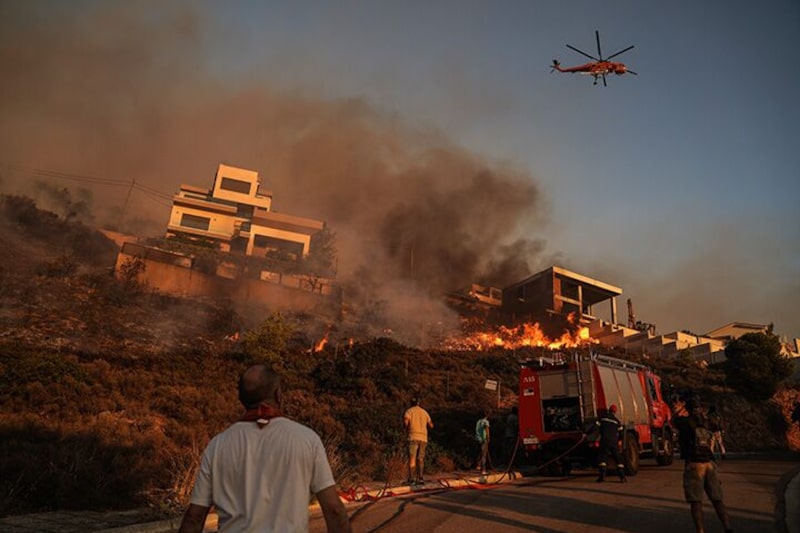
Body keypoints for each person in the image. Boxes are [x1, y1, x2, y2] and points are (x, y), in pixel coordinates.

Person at [178, 365, 352, 533]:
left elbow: (195, 518)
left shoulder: (217, 445)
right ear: (278, 394)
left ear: (241, 398)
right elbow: (334, 511)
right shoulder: (307, 439)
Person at [672, 396, 733, 533]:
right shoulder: (706, 422)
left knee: (696, 501)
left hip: (694, 464)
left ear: (687, 408)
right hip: (709, 463)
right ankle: (727, 527)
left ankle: (700, 530)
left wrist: (681, 409)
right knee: (717, 499)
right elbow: (715, 426)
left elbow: (672, 420)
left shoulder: (685, 422)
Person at [590, 404, 626, 483]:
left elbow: (595, 427)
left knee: (602, 458)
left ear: (608, 410)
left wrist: (586, 433)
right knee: (618, 459)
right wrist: (619, 441)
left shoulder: (603, 418)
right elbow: (622, 433)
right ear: (615, 412)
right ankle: (622, 477)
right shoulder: (616, 421)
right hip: (614, 442)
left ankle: (602, 477)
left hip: (605, 441)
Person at [403, 396, 433, 485]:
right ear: (419, 403)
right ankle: (420, 478)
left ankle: (411, 479)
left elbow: (406, 422)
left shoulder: (409, 411)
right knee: (421, 459)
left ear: (411, 403)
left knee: (412, 459)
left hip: (413, 437)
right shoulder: (424, 412)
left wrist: (405, 428)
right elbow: (431, 425)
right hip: (423, 438)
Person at [475, 409, 491, 475]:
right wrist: (488, 437)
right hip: (484, 439)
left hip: (478, 439)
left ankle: (478, 465)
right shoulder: (486, 422)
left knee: (480, 453)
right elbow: (487, 429)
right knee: (484, 454)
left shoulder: (478, 421)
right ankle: (483, 470)